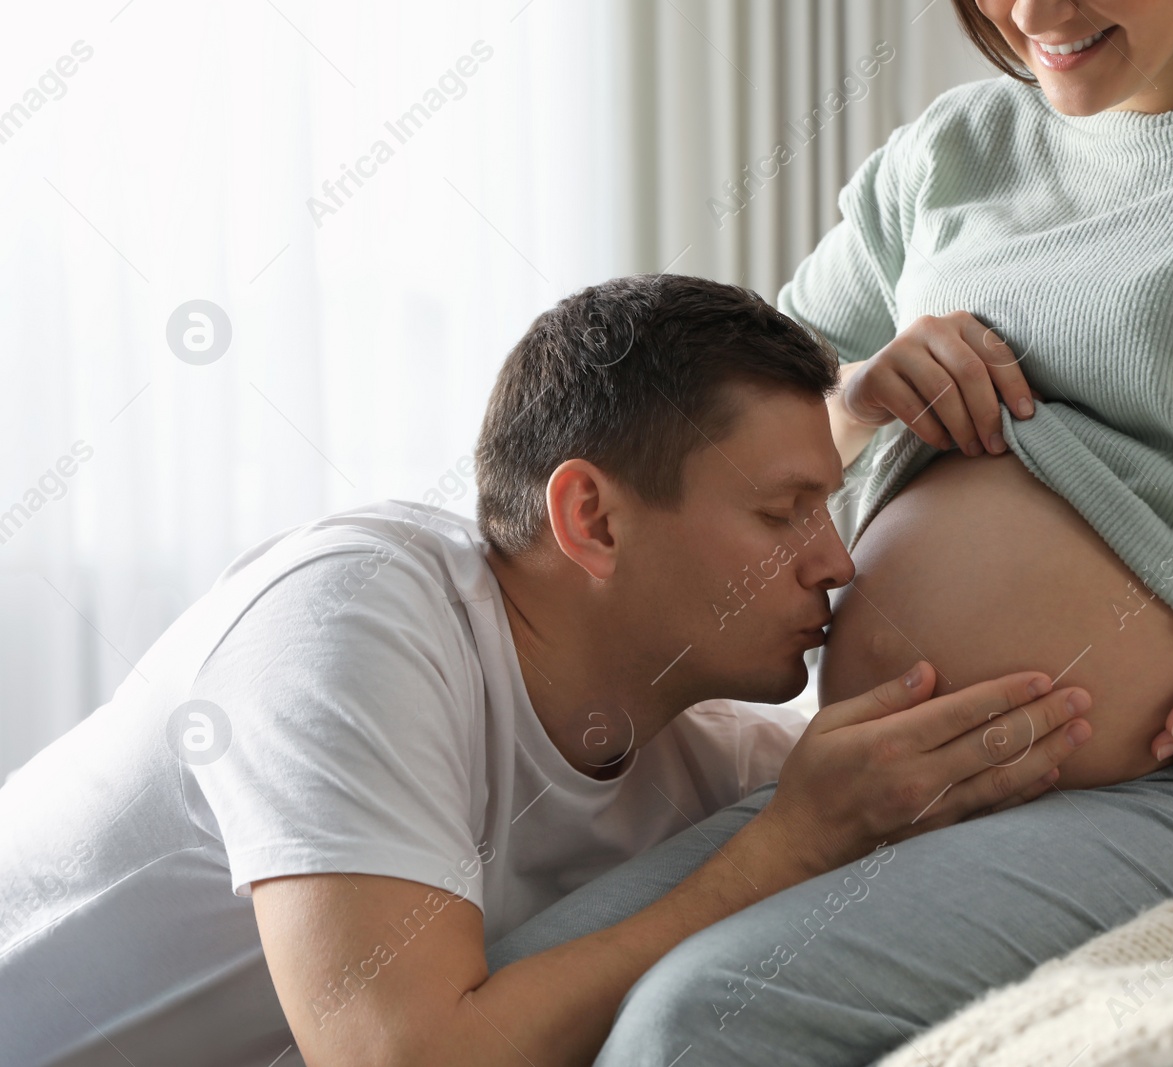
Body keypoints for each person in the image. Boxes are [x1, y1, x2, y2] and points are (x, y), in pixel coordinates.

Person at [486, 1, 1173, 1064]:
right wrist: (861, 396)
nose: (1029, 15)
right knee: (520, 987)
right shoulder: (957, 149)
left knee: (700, 1018)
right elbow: (754, 417)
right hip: (881, 778)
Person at [0, 275, 1105, 1067]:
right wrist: (789, 846)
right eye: (783, 513)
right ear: (592, 516)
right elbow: (399, 1054)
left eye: (830, 505)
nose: (834, 560)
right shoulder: (353, 614)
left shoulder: (703, 758)